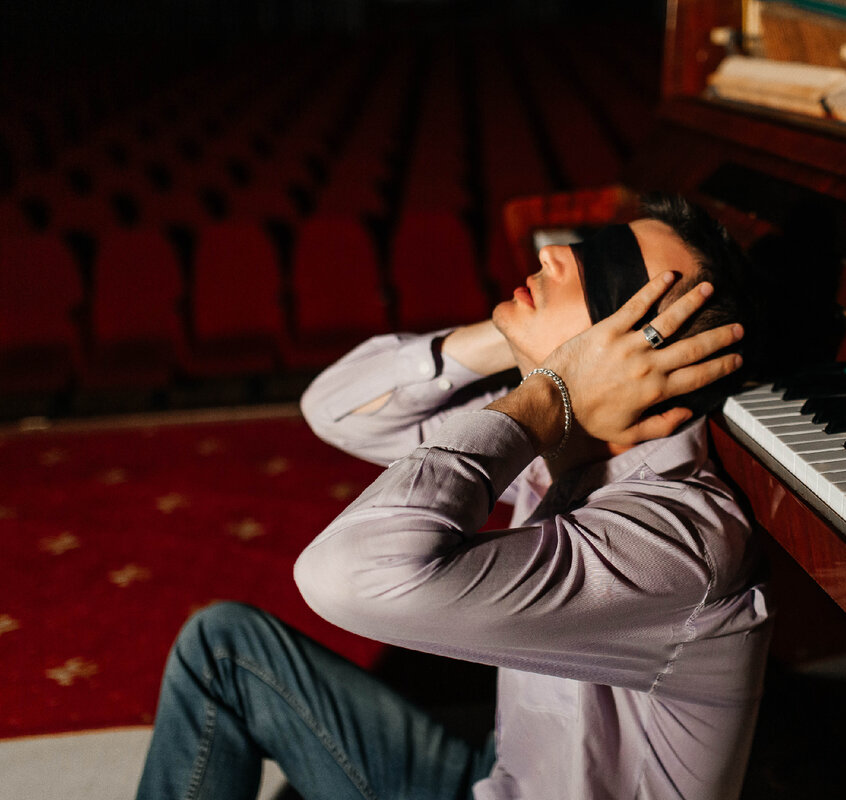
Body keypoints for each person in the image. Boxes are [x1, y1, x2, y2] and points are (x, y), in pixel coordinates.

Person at [135, 195, 773, 799]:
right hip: (500, 773)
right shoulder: (572, 439)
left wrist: (548, 392)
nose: (554, 253)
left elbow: (345, 576)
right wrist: (517, 338)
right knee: (221, 647)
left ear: (648, 363)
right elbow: (334, 408)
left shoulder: (678, 540)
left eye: (608, 272)